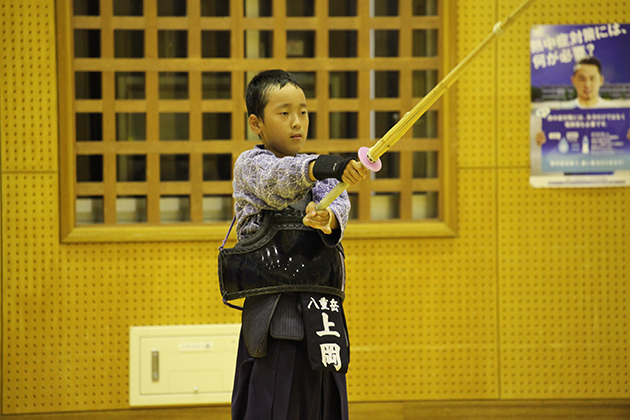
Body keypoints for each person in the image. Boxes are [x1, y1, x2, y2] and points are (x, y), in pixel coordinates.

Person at [228, 69, 368, 420]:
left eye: (303, 112)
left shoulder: (323, 176)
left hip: (322, 316)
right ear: (256, 123)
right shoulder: (251, 165)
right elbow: (280, 180)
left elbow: (338, 207)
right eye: (284, 112)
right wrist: (325, 165)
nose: (297, 122)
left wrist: (328, 219)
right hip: (275, 317)